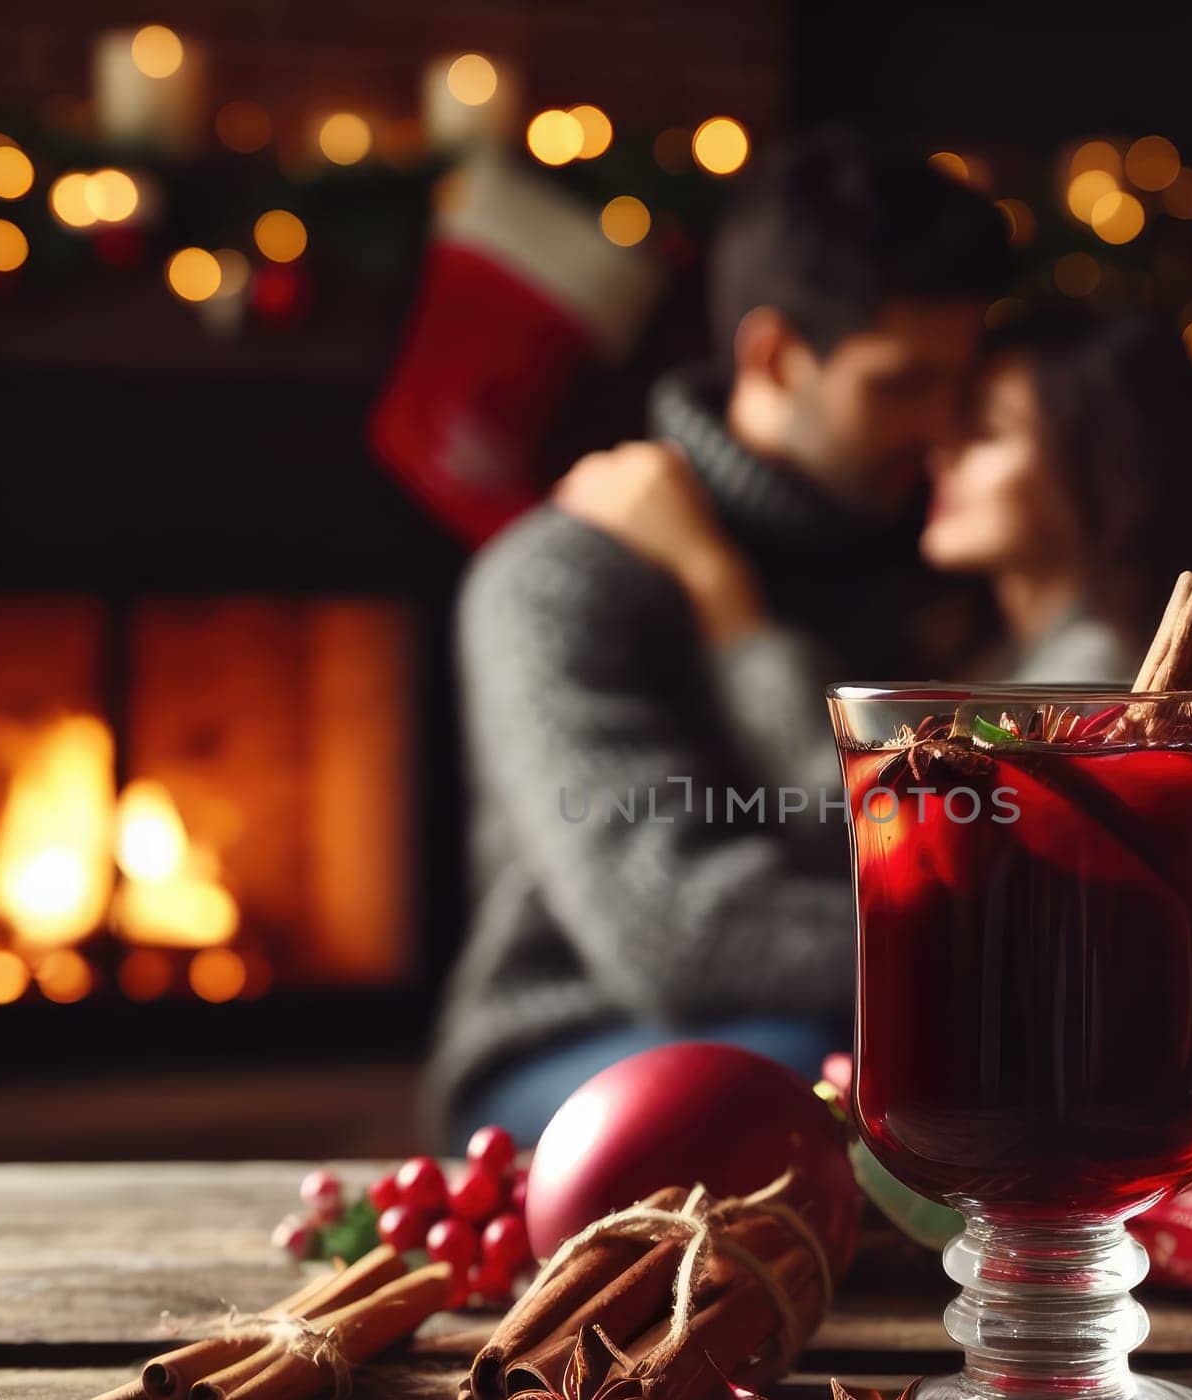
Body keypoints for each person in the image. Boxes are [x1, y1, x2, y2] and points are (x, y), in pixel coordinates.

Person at [425, 130, 1010, 1146]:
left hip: (845, 1032)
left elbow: (934, 852)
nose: (939, 428)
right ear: (774, 355)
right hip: (561, 1055)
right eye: (902, 384)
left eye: (958, 389)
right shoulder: (560, 574)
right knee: (797, 1079)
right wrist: (997, 951)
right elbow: (682, 936)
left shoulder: (940, 554)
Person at [921, 310, 1192, 698]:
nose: (942, 455)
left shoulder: (1089, 683)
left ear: (1095, 463)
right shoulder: (1006, 658)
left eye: (986, 432)